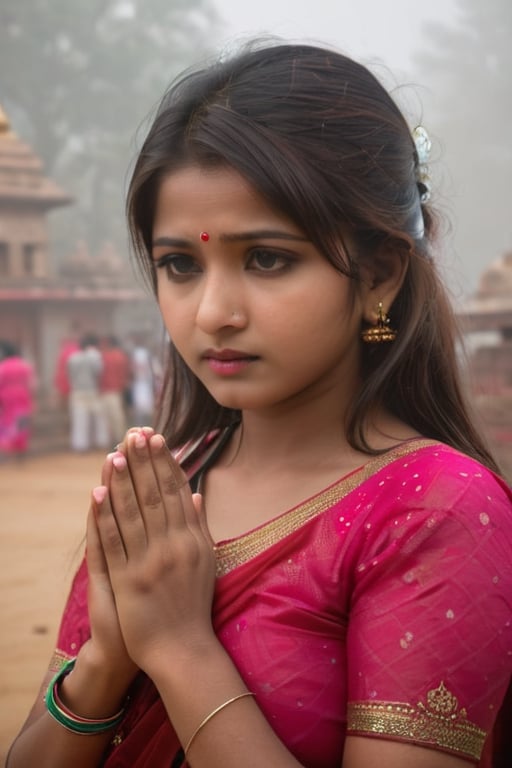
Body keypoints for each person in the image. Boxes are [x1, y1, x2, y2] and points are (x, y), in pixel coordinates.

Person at [7, 41, 512, 768]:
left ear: (379, 273)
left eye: (267, 258)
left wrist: (180, 651)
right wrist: (104, 663)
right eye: (180, 264)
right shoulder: (161, 493)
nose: (213, 312)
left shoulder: (435, 512)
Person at [66, 333, 109, 452]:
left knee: (79, 420)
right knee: (99, 419)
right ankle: (101, 442)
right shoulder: (94, 356)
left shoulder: (72, 358)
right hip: (92, 390)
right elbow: (98, 372)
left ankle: (80, 445)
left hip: (77, 391)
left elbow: (70, 375)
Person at [0, 340, 35, 459]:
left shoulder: (3, 366)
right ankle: (21, 449)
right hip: (23, 396)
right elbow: (32, 384)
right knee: (22, 422)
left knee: (7, 421)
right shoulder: (25, 365)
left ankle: (7, 450)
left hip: (7, 397)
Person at [99, 335, 131, 445]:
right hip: (118, 391)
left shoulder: (105, 356)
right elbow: (126, 373)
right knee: (118, 417)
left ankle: (118, 441)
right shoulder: (121, 356)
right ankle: (120, 439)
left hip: (108, 391)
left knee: (112, 418)